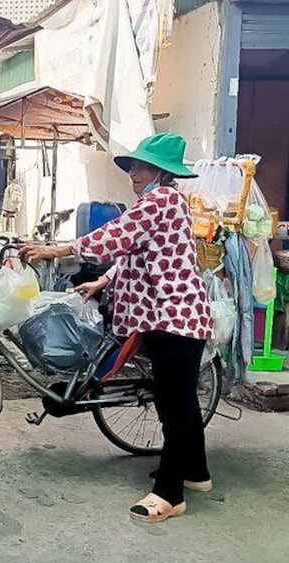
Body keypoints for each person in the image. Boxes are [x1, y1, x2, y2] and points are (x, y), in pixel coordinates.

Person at [20, 133, 213, 524]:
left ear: (162, 171)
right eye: (132, 167)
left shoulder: (163, 200)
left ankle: (170, 494)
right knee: (179, 400)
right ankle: (196, 473)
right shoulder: (158, 203)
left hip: (174, 317)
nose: (133, 174)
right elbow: (131, 250)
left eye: (141, 167)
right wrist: (103, 281)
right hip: (165, 317)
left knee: (173, 407)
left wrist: (58, 250)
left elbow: (115, 237)